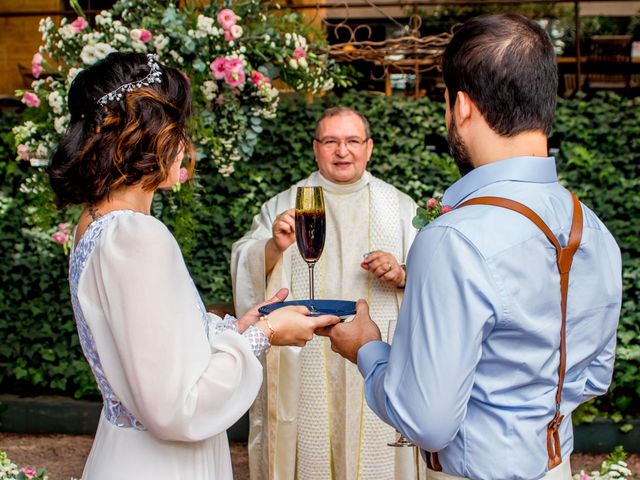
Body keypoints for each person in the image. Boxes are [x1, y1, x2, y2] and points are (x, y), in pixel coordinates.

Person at [319, 14, 623, 480]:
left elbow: (427, 423)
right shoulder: (592, 227)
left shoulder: (454, 238)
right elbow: (594, 375)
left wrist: (368, 349)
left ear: (461, 106)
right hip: (555, 464)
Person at [46, 51, 339, 480]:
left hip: (124, 451)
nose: (186, 146)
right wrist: (264, 336)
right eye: (177, 128)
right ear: (146, 132)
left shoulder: (93, 223)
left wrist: (236, 329)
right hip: (161, 465)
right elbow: (176, 407)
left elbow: (149, 352)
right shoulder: (139, 237)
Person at [231, 107, 420, 480]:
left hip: (377, 349)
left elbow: (430, 279)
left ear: (369, 148)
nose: (342, 151)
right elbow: (246, 261)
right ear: (316, 148)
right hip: (305, 356)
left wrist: (400, 274)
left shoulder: (399, 207)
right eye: (331, 141)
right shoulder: (286, 204)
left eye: (352, 141)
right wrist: (273, 246)